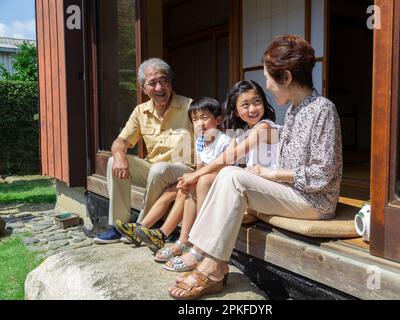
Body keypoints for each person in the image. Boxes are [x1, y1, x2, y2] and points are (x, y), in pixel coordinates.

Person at [167, 35, 343, 300]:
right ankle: (206, 256)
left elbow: (323, 174)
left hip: (315, 200)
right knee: (228, 175)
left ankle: (212, 266)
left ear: (285, 76)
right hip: (292, 191)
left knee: (232, 177)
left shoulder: (322, 109)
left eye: (269, 79)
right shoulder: (296, 110)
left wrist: (271, 174)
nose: (268, 86)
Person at [164, 80, 280, 273]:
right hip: (255, 190)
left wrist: (197, 174)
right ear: (235, 111)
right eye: (245, 104)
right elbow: (227, 156)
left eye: (257, 102)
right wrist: (194, 176)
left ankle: (200, 247)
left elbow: (230, 157)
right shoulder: (244, 132)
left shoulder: (265, 127)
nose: (252, 109)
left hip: (270, 191)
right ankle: (187, 241)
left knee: (205, 178)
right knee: (198, 181)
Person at [93, 58, 194, 244]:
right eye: (152, 83)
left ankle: (141, 228)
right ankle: (119, 225)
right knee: (113, 161)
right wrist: (119, 156)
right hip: (155, 169)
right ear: (142, 88)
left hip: (184, 169)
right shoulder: (141, 111)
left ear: (170, 82)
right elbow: (121, 141)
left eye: (163, 80)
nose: (159, 87)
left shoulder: (189, 106)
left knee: (159, 169)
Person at [113, 97, 231, 255]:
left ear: (218, 120)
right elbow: (201, 166)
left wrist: (194, 178)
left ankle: (164, 236)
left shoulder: (225, 141)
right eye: (195, 119)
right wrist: (190, 178)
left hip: (217, 185)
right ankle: (141, 228)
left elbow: (225, 169)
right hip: (202, 181)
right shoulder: (201, 141)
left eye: (205, 118)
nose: (200, 123)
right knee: (171, 190)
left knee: (185, 191)